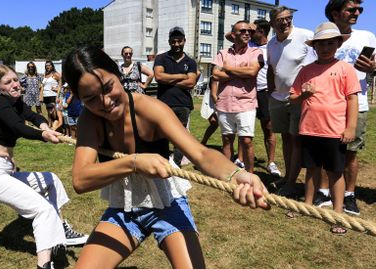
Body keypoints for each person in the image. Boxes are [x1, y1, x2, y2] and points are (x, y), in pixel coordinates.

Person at [63, 46, 269, 269]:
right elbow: (80, 179)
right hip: (125, 206)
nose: (104, 102)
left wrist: (235, 174)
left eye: (107, 87)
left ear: (119, 75)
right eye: (91, 99)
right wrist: (134, 163)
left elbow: (200, 153)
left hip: (167, 203)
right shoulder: (89, 120)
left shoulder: (150, 108)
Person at [0, 65, 87, 269]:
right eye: (7, 82)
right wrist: (43, 135)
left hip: (5, 170)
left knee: (51, 180)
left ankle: (61, 231)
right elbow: (19, 128)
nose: (15, 84)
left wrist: (45, 126)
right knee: (42, 210)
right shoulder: (0, 105)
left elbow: (35, 117)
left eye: (15, 80)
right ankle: (43, 265)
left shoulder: (17, 103)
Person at [289, 22, 359, 234]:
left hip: (334, 131)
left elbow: (352, 99)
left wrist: (351, 127)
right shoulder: (306, 70)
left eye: (330, 43)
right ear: (314, 47)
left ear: (338, 44)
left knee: (336, 172)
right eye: (321, 44)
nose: (326, 48)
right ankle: (308, 205)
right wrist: (304, 96)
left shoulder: (346, 69)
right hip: (309, 128)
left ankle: (338, 213)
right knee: (311, 170)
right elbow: (292, 97)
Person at [313, 0, 376, 215]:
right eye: (351, 9)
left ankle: (349, 195)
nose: (357, 13)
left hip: (356, 102)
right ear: (335, 12)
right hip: (326, 104)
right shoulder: (321, 36)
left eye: (360, 9)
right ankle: (322, 192)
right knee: (324, 150)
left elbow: (375, 67)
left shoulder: (367, 36)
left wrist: (373, 68)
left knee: (350, 153)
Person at [267, 6, 316, 196]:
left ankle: (291, 184)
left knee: (296, 140)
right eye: (281, 19)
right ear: (272, 23)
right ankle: (288, 177)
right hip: (277, 98)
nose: (286, 22)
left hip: (298, 99)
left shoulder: (305, 36)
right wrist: (271, 91)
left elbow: (312, 68)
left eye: (289, 18)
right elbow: (272, 68)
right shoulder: (271, 44)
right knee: (286, 138)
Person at [212, 20, 264, 173]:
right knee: (227, 140)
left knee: (246, 140)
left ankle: (250, 175)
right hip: (224, 103)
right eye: (242, 31)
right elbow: (215, 74)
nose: (247, 33)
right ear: (234, 35)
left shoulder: (256, 53)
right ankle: (228, 175)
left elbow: (251, 72)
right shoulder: (223, 53)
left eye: (249, 31)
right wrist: (239, 72)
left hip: (245, 103)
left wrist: (227, 69)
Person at [154, 27, 198, 167]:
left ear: (184, 41)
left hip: (183, 104)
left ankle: (176, 164)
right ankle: (163, 162)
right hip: (163, 103)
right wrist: (180, 76)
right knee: (161, 135)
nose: (177, 44)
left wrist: (169, 80)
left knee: (180, 136)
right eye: (173, 41)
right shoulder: (161, 58)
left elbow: (191, 82)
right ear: (169, 42)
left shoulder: (190, 62)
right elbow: (159, 76)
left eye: (179, 41)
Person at [250, 19, 282, 177]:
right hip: (247, 91)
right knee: (245, 127)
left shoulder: (271, 47)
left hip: (264, 91)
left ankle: (271, 162)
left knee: (268, 128)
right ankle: (242, 159)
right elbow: (229, 35)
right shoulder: (248, 44)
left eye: (252, 29)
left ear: (261, 31)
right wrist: (250, 26)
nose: (249, 32)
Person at [41, 60, 61, 127]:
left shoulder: (55, 74)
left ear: (52, 66)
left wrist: (57, 89)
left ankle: (56, 126)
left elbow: (62, 84)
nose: (47, 67)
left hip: (53, 95)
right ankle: (50, 125)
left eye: (49, 65)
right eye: (46, 66)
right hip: (46, 96)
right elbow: (43, 86)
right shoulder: (45, 74)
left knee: (53, 112)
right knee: (48, 112)